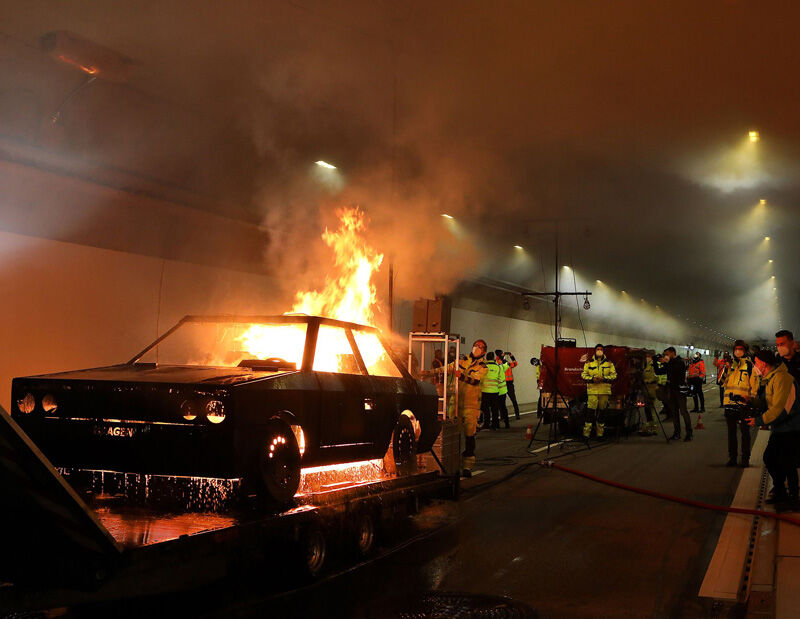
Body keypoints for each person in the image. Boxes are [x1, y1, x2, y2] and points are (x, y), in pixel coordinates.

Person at [428, 339, 488, 477]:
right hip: (455, 404)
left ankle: (467, 466)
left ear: (484, 351)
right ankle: (451, 464)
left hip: (470, 406)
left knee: (469, 436)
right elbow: (446, 368)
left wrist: (461, 377)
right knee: (453, 435)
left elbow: (475, 381)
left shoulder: (483, 367)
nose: (476, 348)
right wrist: (429, 372)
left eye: (479, 346)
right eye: (475, 345)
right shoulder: (461, 362)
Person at [750, 350, 800, 509]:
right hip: (780, 427)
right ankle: (781, 491)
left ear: (763, 363)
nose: (755, 366)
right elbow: (768, 403)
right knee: (771, 459)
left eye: (756, 362)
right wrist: (750, 401)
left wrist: (758, 421)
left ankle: (793, 497)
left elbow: (780, 409)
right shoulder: (770, 378)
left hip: (790, 427)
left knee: (788, 463)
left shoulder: (782, 379)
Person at [723, 340, 759, 467]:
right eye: (736, 349)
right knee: (731, 434)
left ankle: (745, 459)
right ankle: (732, 458)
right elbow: (722, 382)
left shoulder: (750, 366)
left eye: (740, 349)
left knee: (745, 433)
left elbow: (754, 386)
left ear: (745, 350)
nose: (737, 351)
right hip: (730, 403)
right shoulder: (731, 366)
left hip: (744, 405)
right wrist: (726, 369)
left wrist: (751, 399)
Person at [581, 344, 617, 441]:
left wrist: (604, 378)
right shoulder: (589, 363)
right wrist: (592, 379)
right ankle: (586, 434)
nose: (599, 350)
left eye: (601, 349)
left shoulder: (609, 363)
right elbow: (584, 375)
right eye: (598, 349)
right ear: (595, 351)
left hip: (604, 392)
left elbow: (614, 375)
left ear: (603, 351)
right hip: (592, 391)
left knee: (602, 413)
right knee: (590, 412)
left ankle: (600, 434)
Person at [659, 347, 692, 441]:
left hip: (679, 390)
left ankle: (689, 433)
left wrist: (666, 363)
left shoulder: (679, 362)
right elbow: (661, 372)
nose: (666, 356)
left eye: (667, 354)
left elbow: (675, 372)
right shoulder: (669, 363)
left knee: (683, 411)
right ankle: (677, 433)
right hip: (671, 390)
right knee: (674, 413)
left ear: (673, 353)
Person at [480, 351, 503, 430]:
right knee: (494, 409)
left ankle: (486, 424)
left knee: (485, 409)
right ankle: (495, 425)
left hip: (485, 391)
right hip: (494, 391)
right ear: (493, 358)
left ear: (486, 358)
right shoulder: (498, 367)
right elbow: (501, 379)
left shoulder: (484, 366)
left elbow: (479, 378)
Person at [640, 350, 659, 435]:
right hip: (646, 389)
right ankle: (650, 427)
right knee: (647, 409)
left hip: (652, 389)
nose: (646, 358)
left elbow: (657, 376)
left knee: (651, 409)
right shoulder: (645, 365)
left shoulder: (654, 365)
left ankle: (652, 428)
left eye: (648, 356)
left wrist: (648, 381)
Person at [494, 350, 511, 428]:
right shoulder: (502, 366)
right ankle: (507, 423)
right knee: (503, 408)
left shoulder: (495, 366)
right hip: (503, 391)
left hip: (496, 391)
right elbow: (508, 364)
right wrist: (505, 358)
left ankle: (496, 424)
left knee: (496, 408)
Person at [502, 352, 521, 419]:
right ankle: (517, 414)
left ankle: (503, 416)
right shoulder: (508, 364)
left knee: (502, 401)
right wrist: (511, 355)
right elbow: (515, 362)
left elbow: (515, 363)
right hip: (509, 384)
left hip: (503, 385)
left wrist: (503, 355)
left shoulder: (500, 365)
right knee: (513, 400)